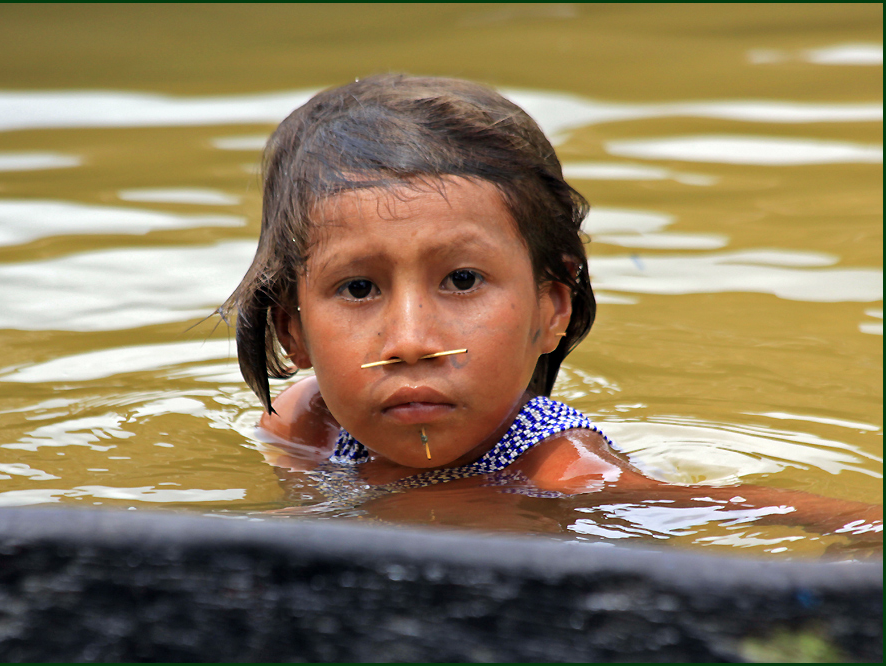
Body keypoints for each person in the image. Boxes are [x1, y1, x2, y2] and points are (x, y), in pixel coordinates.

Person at [222, 74, 881, 542]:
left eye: (460, 279)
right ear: (294, 330)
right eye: (358, 289)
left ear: (551, 310)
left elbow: (717, 508)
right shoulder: (304, 424)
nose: (411, 340)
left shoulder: (553, 463)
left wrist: (852, 528)